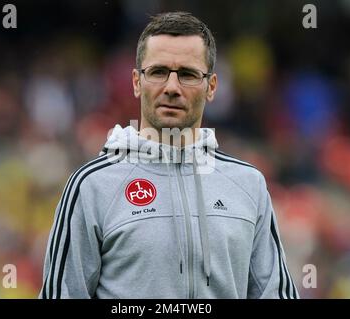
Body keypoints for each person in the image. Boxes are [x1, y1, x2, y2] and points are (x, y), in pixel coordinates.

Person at [39, 11, 298, 299]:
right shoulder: (91, 186)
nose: (172, 88)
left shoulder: (249, 184)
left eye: (187, 74)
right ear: (137, 82)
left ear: (211, 86)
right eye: (159, 72)